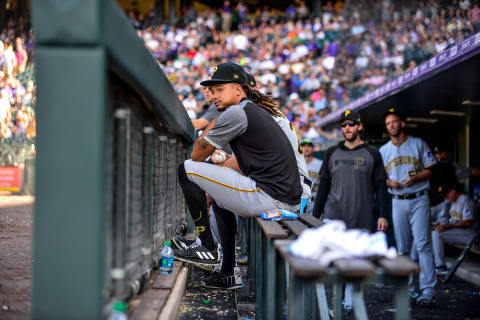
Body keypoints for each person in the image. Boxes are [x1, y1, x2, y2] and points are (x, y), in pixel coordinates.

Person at [174, 62, 302, 289]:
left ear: (238, 90)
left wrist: (215, 119)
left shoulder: (237, 112)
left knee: (185, 168)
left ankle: (207, 246)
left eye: (220, 89)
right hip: (281, 197)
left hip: (271, 198)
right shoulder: (252, 110)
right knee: (220, 195)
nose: (214, 95)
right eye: (212, 90)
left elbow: (196, 154)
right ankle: (228, 272)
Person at [312, 109, 389, 312]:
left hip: (361, 216)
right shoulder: (331, 152)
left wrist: (382, 214)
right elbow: (323, 187)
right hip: (333, 214)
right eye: (344, 125)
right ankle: (336, 305)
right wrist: (314, 216)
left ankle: (347, 305)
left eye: (351, 124)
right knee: (335, 262)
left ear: (360, 127)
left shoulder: (372, 153)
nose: (347, 128)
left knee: (354, 266)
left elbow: (382, 186)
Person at [379, 108, 437, 304]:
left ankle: (428, 291)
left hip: (419, 197)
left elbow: (431, 169)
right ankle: (408, 290)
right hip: (397, 200)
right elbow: (381, 180)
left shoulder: (417, 143)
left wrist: (416, 179)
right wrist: (390, 183)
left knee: (423, 245)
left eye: (394, 122)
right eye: (388, 124)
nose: (391, 126)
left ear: (402, 123)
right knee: (402, 248)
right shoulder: (384, 150)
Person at [432, 183, 477, 276]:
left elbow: (468, 222)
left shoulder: (465, 200)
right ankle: (437, 265)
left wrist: (446, 226)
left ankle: (440, 266)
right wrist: (442, 224)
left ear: (453, 191)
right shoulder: (452, 201)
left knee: (438, 234)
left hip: (470, 234)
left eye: (446, 194)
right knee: (435, 231)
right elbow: (453, 220)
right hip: (460, 232)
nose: (445, 197)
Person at [300, 138, 322, 215]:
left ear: (313, 148)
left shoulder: (321, 164)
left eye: (309, 146)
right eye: (303, 146)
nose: (306, 148)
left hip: (314, 202)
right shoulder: (295, 164)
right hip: (298, 203)